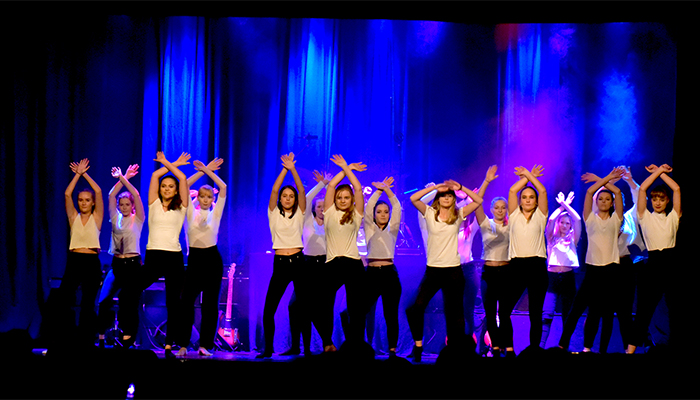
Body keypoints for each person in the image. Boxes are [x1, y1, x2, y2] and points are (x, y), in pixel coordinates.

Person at [406, 169, 487, 362]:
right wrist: (436, 188)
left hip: (453, 272)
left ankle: (455, 352)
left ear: (453, 200)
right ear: (439, 198)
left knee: (455, 314)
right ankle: (418, 345)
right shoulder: (429, 213)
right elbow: (414, 199)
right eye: (444, 195)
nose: (446, 198)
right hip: (433, 271)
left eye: (450, 196)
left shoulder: (458, 215)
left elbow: (478, 201)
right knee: (414, 307)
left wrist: (461, 187)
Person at [316, 154, 367, 353]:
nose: (343, 200)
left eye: (346, 197)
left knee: (356, 308)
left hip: (353, 264)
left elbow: (358, 189)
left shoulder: (356, 213)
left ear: (352, 199)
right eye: (340, 197)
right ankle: (328, 343)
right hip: (332, 264)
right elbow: (331, 186)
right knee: (323, 305)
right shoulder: (329, 212)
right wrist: (346, 168)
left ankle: (356, 345)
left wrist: (348, 168)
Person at [627, 163, 681, 354]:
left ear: (667, 201)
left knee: (674, 309)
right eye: (655, 199)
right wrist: (658, 171)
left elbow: (676, 189)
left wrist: (661, 172)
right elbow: (642, 189)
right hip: (653, 265)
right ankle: (630, 352)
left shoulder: (673, 217)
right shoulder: (645, 217)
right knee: (644, 311)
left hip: (671, 264)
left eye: (662, 199)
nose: (657, 202)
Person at [258, 153, 307, 358]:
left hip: (298, 262)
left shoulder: (300, 213)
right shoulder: (274, 213)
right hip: (280, 263)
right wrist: (284, 169)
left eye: (291, 196)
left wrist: (293, 170)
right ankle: (268, 349)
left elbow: (302, 190)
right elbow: (274, 189)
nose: (287, 198)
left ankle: (301, 348)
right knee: (269, 309)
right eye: (285, 196)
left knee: (303, 307)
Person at [144, 151, 191, 357]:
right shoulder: (153, 203)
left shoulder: (181, 206)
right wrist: (173, 163)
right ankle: (129, 335)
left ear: (176, 190)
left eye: (171, 186)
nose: (166, 188)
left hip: (173, 257)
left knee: (174, 302)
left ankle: (169, 344)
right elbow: (155, 176)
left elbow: (182, 178)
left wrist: (167, 162)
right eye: (164, 186)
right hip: (154, 255)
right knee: (132, 289)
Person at [179, 157, 227, 356]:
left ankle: (205, 345)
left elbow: (223, 187)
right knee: (186, 302)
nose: (206, 199)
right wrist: (203, 170)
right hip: (195, 259)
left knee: (210, 305)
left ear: (212, 198)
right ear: (197, 197)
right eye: (202, 196)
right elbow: (183, 184)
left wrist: (209, 172)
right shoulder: (190, 212)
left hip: (212, 259)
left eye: (209, 196)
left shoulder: (215, 214)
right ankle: (183, 344)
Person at [55, 158, 104, 347]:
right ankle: (66, 337)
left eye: (87, 200)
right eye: (81, 200)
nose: (83, 203)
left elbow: (98, 191)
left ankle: (86, 339)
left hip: (91, 262)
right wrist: (77, 175)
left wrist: (85, 174)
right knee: (64, 299)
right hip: (74, 260)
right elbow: (67, 193)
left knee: (88, 302)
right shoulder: (73, 217)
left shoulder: (96, 217)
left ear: (92, 203)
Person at [500, 164, 548, 353]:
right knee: (504, 310)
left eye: (531, 197)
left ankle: (534, 351)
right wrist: (527, 177)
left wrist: (528, 175)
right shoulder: (513, 215)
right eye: (525, 197)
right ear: (520, 201)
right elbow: (513, 190)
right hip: (516, 266)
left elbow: (542, 191)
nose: (528, 200)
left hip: (537, 266)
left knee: (535, 313)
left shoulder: (541, 215)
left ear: (536, 202)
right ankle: (509, 349)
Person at [97, 164, 145, 349]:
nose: (124, 207)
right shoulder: (115, 217)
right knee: (104, 300)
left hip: (133, 265)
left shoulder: (137, 219)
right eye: (121, 204)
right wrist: (122, 177)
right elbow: (111, 195)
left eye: (127, 204)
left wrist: (124, 178)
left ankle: (128, 337)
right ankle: (101, 335)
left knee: (128, 301)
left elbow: (137, 195)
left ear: (132, 206)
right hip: (117, 264)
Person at [284, 170, 331, 356]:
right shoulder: (308, 220)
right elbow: (308, 197)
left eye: (324, 206)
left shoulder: (331, 223)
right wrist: (322, 184)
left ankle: (319, 345)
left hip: (323, 267)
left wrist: (330, 188)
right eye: (318, 206)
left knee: (312, 309)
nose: (321, 209)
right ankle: (297, 346)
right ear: (314, 208)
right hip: (306, 264)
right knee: (294, 306)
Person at [363, 176, 402, 357]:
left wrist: (388, 190)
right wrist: (378, 190)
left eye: (386, 212)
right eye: (379, 212)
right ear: (374, 214)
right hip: (371, 274)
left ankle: (392, 350)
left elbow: (397, 207)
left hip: (389, 274)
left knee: (390, 314)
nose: (383, 214)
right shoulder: (369, 228)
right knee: (361, 311)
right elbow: (368, 207)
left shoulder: (392, 229)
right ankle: (362, 346)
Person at [540, 191, 581, 349]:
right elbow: (551, 219)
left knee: (567, 316)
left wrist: (566, 205)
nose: (564, 225)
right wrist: (562, 207)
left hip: (568, 278)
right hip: (552, 279)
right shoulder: (551, 238)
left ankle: (564, 348)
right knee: (547, 315)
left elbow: (578, 219)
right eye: (562, 222)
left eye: (567, 223)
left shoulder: (573, 239)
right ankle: (541, 347)